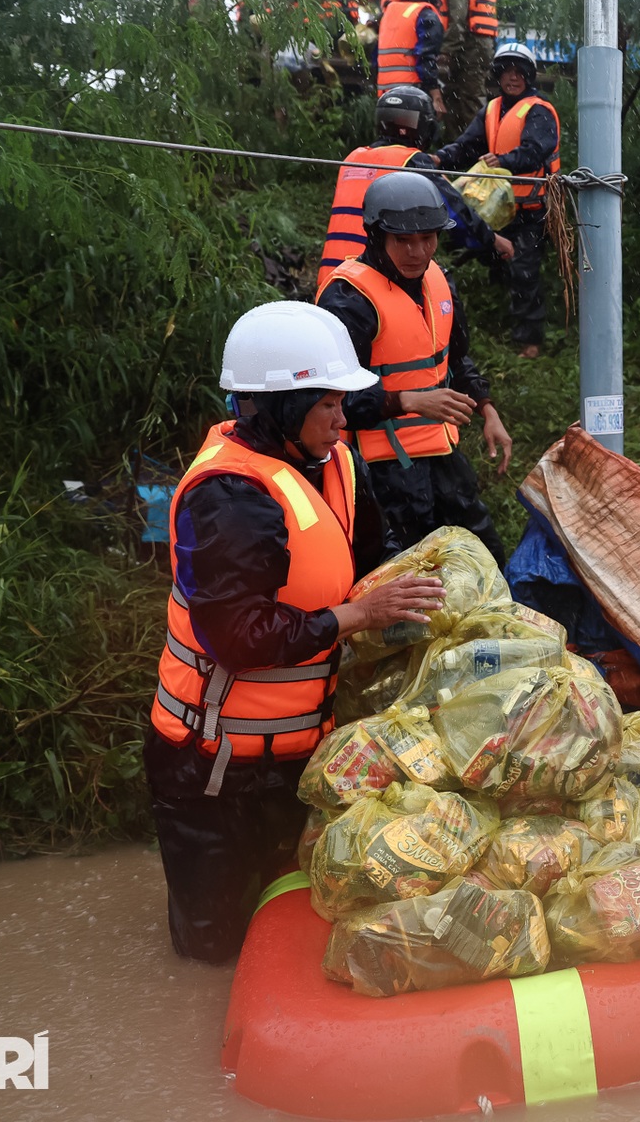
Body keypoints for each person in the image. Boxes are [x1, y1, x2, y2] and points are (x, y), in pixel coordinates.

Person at [147, 301, 445, 963]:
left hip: (302, 757)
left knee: (294, 931)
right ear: (278, 408)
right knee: (214, 951)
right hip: (215, 771)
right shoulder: (227, 498)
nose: (344, 419)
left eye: (343, 402)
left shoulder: (333, 460)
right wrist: (357, 617)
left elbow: (372, 559)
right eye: (329, 405)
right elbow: (238, 637)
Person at [316, 170, 513, 564]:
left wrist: (487, 408)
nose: (418, 252)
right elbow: (329, 402)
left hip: (441, 456)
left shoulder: (440, 281)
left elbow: (453, 359)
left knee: (485, 558)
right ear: (376, 236)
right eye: (403, 240)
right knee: (408, 576)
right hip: (379, 473)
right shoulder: (347, 300)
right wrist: (410, 401)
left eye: (428, 238)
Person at [421, 40, 560, 357]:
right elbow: (467, 146)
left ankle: (531, 341)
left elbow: (536, 151)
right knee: (487, 253)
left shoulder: (539, 110)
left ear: (528, 76)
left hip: (530, 209)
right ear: (498, 75)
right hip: (497, 210)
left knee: (525, 270)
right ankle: (497, 314)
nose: (512, 78)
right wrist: (439, 159)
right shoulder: (492, 109)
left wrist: (505, 160)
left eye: (518, 73)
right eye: (506, 72)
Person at [318, 86, 513, 290]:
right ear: (425, 126)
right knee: (441, 296)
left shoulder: (353, 158)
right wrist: (491, 240)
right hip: (374, 276)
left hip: (331, 275)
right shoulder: (411, 160)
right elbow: (454, 212)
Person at [439, 0, 499, 138]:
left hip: (469, 46)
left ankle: (470, 152)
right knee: (469, 97)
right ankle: (464, 150)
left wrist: (447, 50)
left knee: (465, 101)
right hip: (483, 44)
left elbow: (458, 17)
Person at [374, 0, 445, 97]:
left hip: (385, 91)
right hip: (412, 91)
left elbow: (375, 55)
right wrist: (435, 92)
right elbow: (425, 58)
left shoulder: (389, 11)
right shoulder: (426, 14)